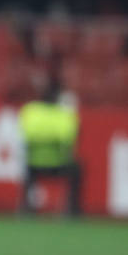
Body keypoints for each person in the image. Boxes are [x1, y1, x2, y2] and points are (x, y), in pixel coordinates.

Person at [18, 83, 81, 217]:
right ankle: (72, 209)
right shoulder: (64, 115)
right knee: (77, 169)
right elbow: (68, 141)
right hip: (59, 164)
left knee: (25, 168)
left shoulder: (31, 111)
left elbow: (26, 136)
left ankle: (26, 207)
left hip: (33, 164)